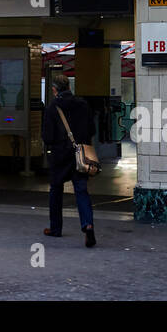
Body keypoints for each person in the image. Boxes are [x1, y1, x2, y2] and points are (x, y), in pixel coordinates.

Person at [40, 73, 96, 247]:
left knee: (56, 190)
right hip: (80, 155)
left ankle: (55, 228)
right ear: (70, 87)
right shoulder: (83, 104)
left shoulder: (52, 108)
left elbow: (47, 136)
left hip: (60, 155)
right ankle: (87, 224)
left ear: (54, 89)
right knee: (81, 189)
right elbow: (92, 130)